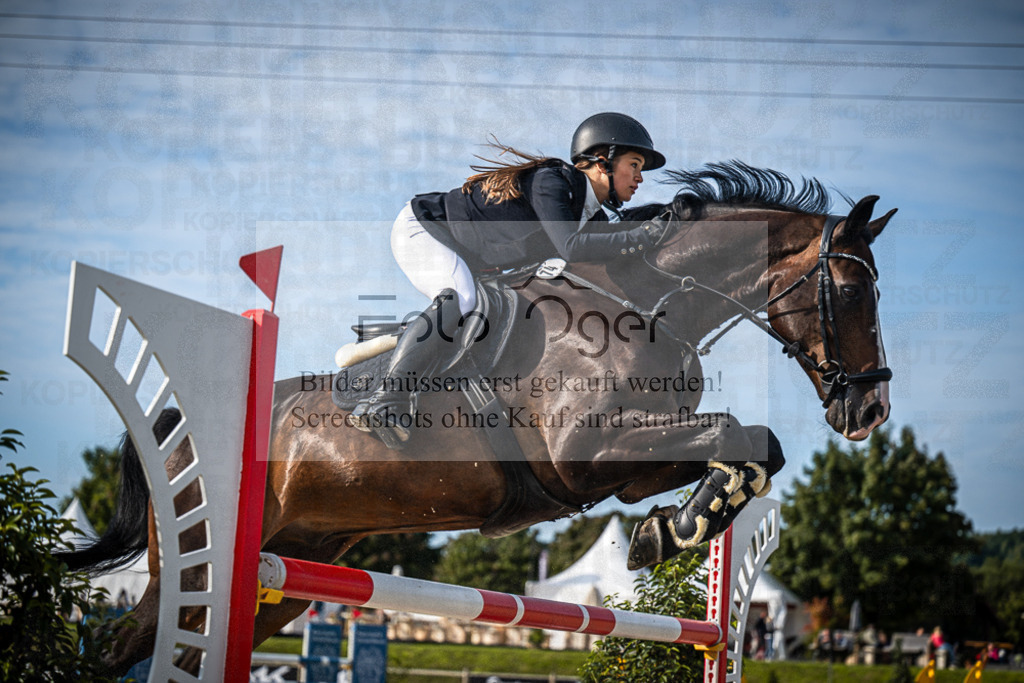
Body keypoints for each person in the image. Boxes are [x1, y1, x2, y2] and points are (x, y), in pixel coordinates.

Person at [351, 113, 670, 448]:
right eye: (634, 165)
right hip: (424, 229)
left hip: (470, 256)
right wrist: (644, 235)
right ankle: (386, 398)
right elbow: (572, 247)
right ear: (602, 160)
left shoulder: (593, 215)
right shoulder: (555, 180)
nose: (639, 178)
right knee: (462, 299)